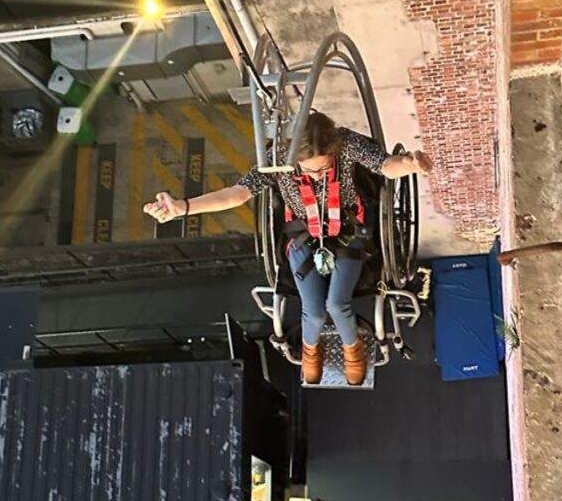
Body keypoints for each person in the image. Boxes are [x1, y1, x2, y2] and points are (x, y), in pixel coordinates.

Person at [144, 112, 431, 385]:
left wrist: (409, 164)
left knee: (337, 304)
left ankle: (352, 348)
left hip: (346, 235)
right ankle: (310, 349)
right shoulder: (278, 161)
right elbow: (237, 194)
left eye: (324, 168)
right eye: (309, 170)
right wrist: (183, 207)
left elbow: (384, 165)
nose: (318, 176)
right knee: (315, 312)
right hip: (303, 235)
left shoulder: (345, 144)